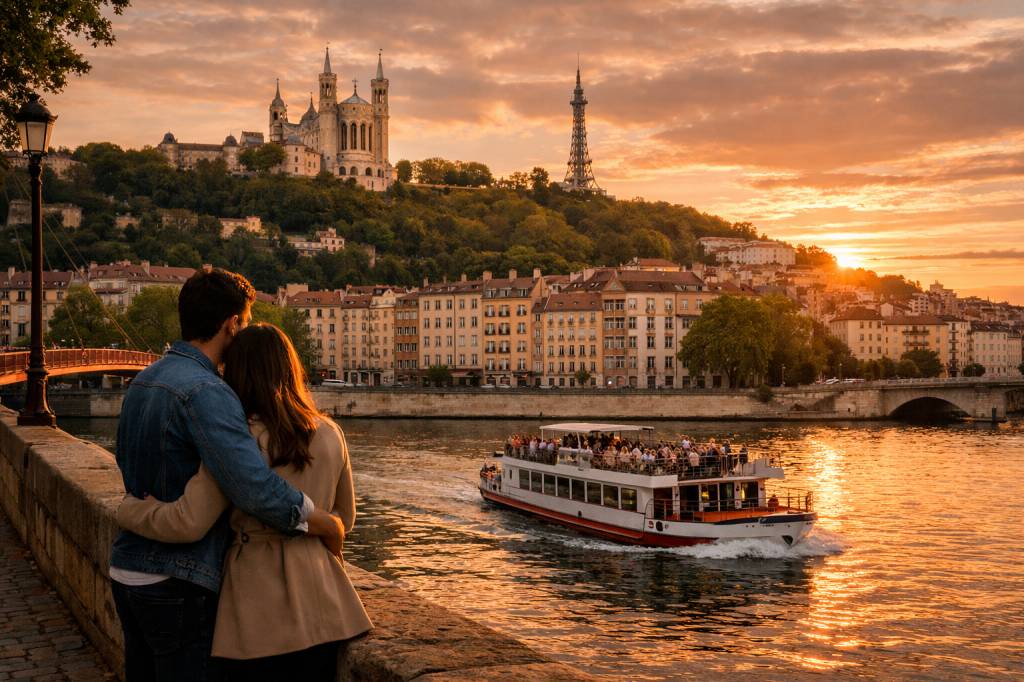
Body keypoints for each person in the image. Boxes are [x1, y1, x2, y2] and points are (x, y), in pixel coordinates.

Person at [109, 270, 345, 682]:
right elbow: (253, 486)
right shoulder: (208, 392)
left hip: (127, 573)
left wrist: (131, 509)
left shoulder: (144, 381)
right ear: (231, 323)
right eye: (247, 321)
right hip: (177, 578)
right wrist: (320, 519)